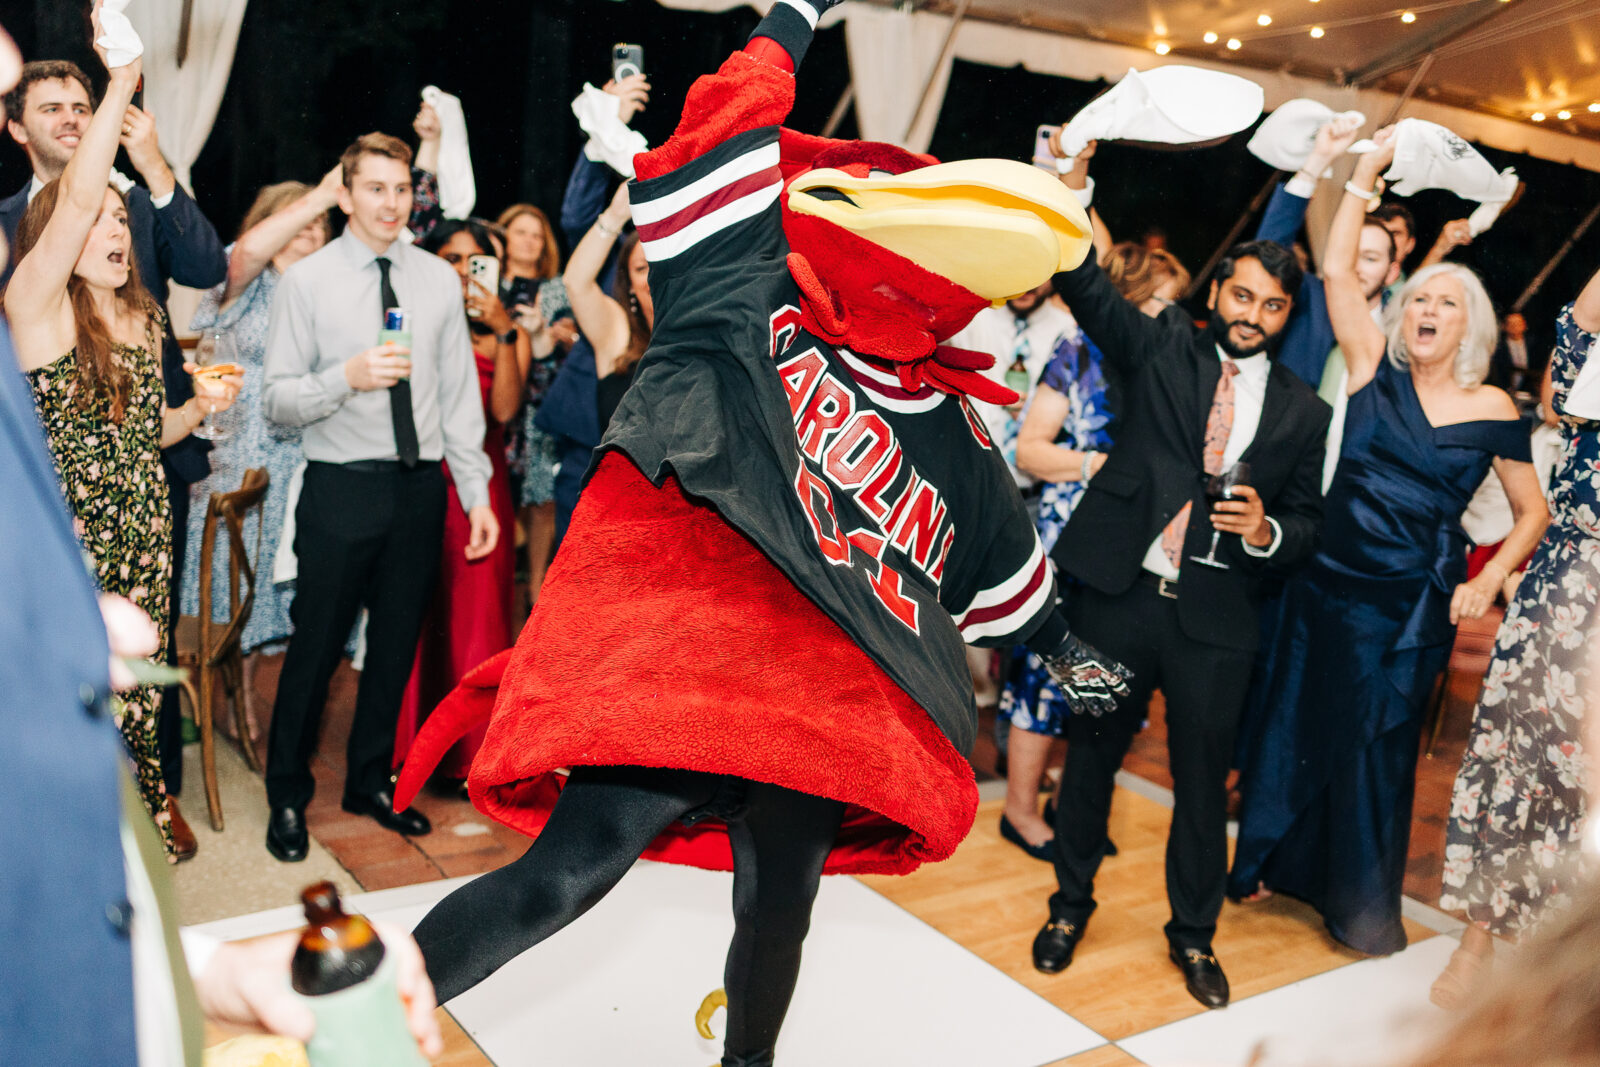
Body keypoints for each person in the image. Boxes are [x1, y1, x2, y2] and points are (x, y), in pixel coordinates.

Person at [392, 2, 1130, 1062]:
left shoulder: (955, 428)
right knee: (563, 874)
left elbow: (1004, 570)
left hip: (820, 710)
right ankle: (354, 1015)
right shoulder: (749, 294)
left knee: (777, 907)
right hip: (690, 668)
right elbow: (721, 135)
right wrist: (785, 23)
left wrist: (1072, 653)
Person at [1227, 127, 1549, 958]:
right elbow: (1337, 272)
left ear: (1469, 320)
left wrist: (1491, 579)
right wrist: (1364, 172)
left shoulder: (1495, 412)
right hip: (1326, 585)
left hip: (1409, 606)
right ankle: (1274, 863)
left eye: (1445, 301)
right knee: (1296, 727)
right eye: (1419, 300)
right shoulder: (1374, 365)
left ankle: (1361, 906)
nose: (1427, 310)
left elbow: (1532, 512)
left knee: (1376, 751)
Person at [1032, 235, 1331, 1008]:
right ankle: (1067, 908)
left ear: (1287, 314)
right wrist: (1068, 178)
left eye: (1272, 305)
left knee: (1202, 787)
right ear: (1216, 294)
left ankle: (1193, 935)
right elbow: (1088, 287)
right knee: (1090, 756)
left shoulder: (1306, 408)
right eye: (1242, 296)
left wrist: (1266, 528)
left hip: (1219, 619)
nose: (1253, 316)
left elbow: (1307, 524)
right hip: (1117, 595)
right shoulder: (1162, 347)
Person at [4, 35, 241, 861]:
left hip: (146, 538)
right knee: (77, 716)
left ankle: (133, 854)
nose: (112, 223)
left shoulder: (139, 318)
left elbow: (148, 431)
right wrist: (125, 83)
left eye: (118, 215)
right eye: (98, 215)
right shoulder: (38, 312)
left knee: (140, 713)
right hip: (74, 550)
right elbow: (70, 201)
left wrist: (198, 406)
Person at [259, 131, 499, 862]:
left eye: (401, 189)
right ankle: (287, 798)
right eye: (376, 188)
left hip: (419, 491)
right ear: (346, 193)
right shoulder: (308, 283)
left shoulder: (434, 279)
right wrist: (346, 377)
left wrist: (476, 491)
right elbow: (276, 401)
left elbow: (459, 395)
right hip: (340, 488)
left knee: (394, 649)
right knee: (317, 650)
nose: (392, 203)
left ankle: (370, 781)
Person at [1431, 261, 1600, 1007]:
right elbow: (1580, 328)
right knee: (1515, 763)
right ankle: (1477, 942)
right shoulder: (1592, 373)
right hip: (1566, 585)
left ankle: (1559, 974)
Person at [179, 172, 342, 737]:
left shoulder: (327, 293)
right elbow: (244, 254)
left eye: (321, 223)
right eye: (299, 220)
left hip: (301, 457)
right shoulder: (243, 280)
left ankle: (244, 690)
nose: (312, 231)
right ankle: (200, 698)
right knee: (227, 577)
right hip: (238, 447)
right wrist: (318, 196)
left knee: (270, 581)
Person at [393, 217, 533, 780]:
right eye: (449, 257)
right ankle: (406, 749)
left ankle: (467, 756)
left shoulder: (508, 332)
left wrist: (502, 334)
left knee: (476, 615)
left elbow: (503, 412)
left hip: (483, 480)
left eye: (474, 260)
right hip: (421, 476)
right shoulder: (413, 322)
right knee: (414, 613)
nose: (460, 270)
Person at [997, 319, 1115, 857]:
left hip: (1128, 557)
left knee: (1105, 684)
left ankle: (1072, 808)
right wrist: (1103, 466)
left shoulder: (1173, 358)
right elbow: (1030, 452)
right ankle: (1019, 813)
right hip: (1067, 544)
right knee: (1047, 680)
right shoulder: (1079, 348)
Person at [497, 202, 575, 602]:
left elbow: (573, 338)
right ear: (504, 237)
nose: (528, 240)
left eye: (536, 233)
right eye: (519, 231)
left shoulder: (558, 288)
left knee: (542, 494)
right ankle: (504, 581)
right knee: (501, 494)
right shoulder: (488, 283)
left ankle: (538, 587)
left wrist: (557, 332)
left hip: (542, 403)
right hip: (496, 401)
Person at [563, 180, 650, 432]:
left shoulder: (701, 331)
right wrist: (615, 216)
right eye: (641, 268)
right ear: (629, 284)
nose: (652, 277)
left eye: (659, 265)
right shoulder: (619, 334)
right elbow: (576, 283)